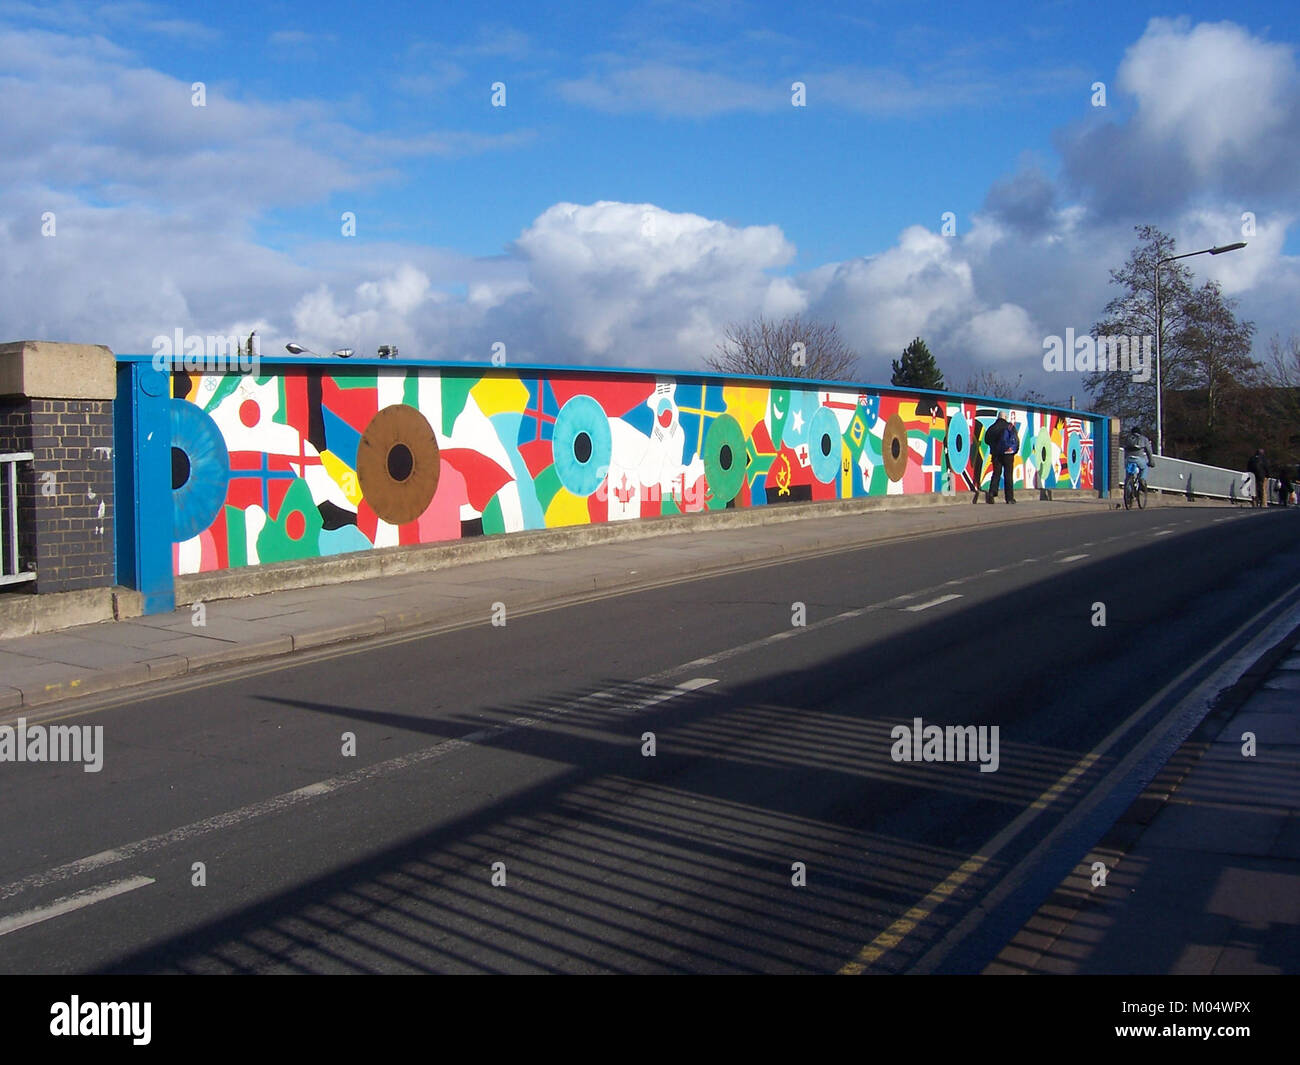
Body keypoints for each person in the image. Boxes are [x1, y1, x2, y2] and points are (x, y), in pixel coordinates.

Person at [986, 412, 1019, 503]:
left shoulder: (992, 428)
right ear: (1005, 417)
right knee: (1008, 475)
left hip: (996, 454)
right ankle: (1009, 498)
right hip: (1008, 455)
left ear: (998, 417)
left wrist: (994, 447)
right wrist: (1013, 451)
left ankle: (992, 493)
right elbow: (1016, 440)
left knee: (996, 473)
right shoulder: (1010, 427)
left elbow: (986, 440)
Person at [1122, 426, 1155, 490]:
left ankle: (1128, 493)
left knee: (1128, 476)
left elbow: (1125, 448)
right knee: (1144, 468)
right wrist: (1151, 461)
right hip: (1139, 459)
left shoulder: (1127, 438)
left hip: (1128, 459)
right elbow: (1149, 451)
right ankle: (1142, 479)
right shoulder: (1143, 439)